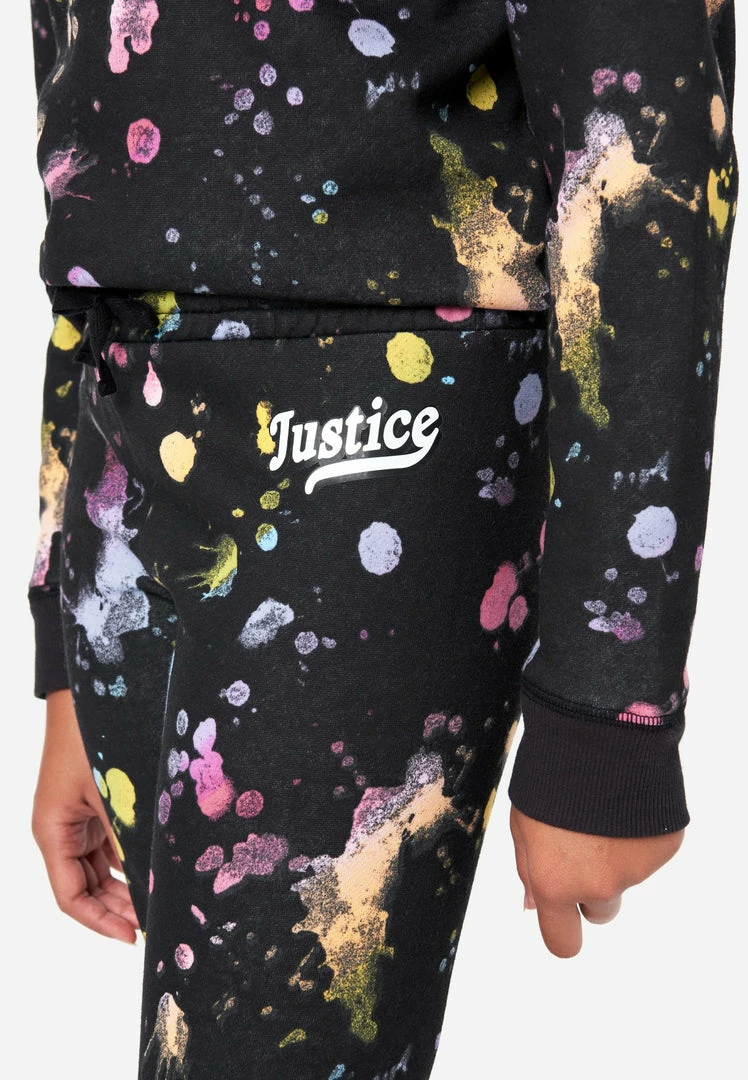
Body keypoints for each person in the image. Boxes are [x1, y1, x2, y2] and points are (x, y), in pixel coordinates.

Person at [26, 2, 738, 1078]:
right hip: (122, 419)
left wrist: (612, 702)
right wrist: (66, 634)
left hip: (376, 413)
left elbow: (641, 145)